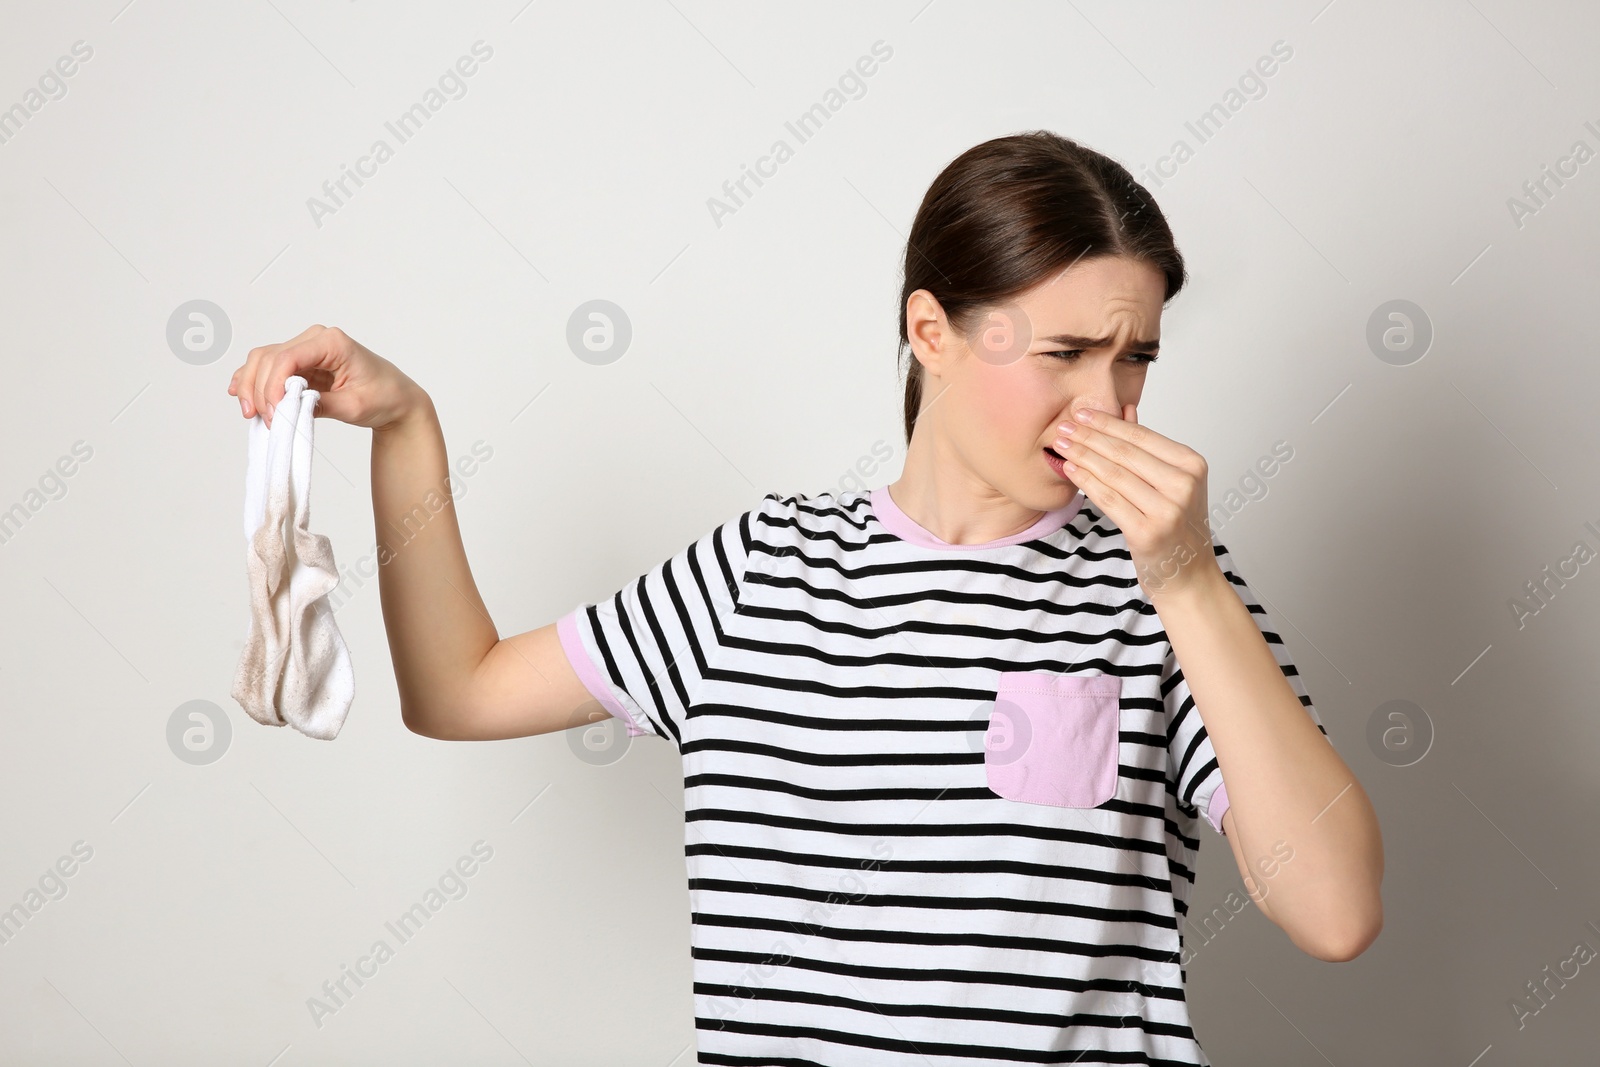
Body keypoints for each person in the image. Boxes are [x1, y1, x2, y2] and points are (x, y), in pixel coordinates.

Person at [227, 130, 1383, 1065]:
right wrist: (406, 427)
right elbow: (456, 689)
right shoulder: (761, 571)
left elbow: (1334, 912)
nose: (1110, 404)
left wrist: (1186, 579)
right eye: (1065, 353)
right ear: (930, 329)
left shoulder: (1168, 598)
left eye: (1135, 358)